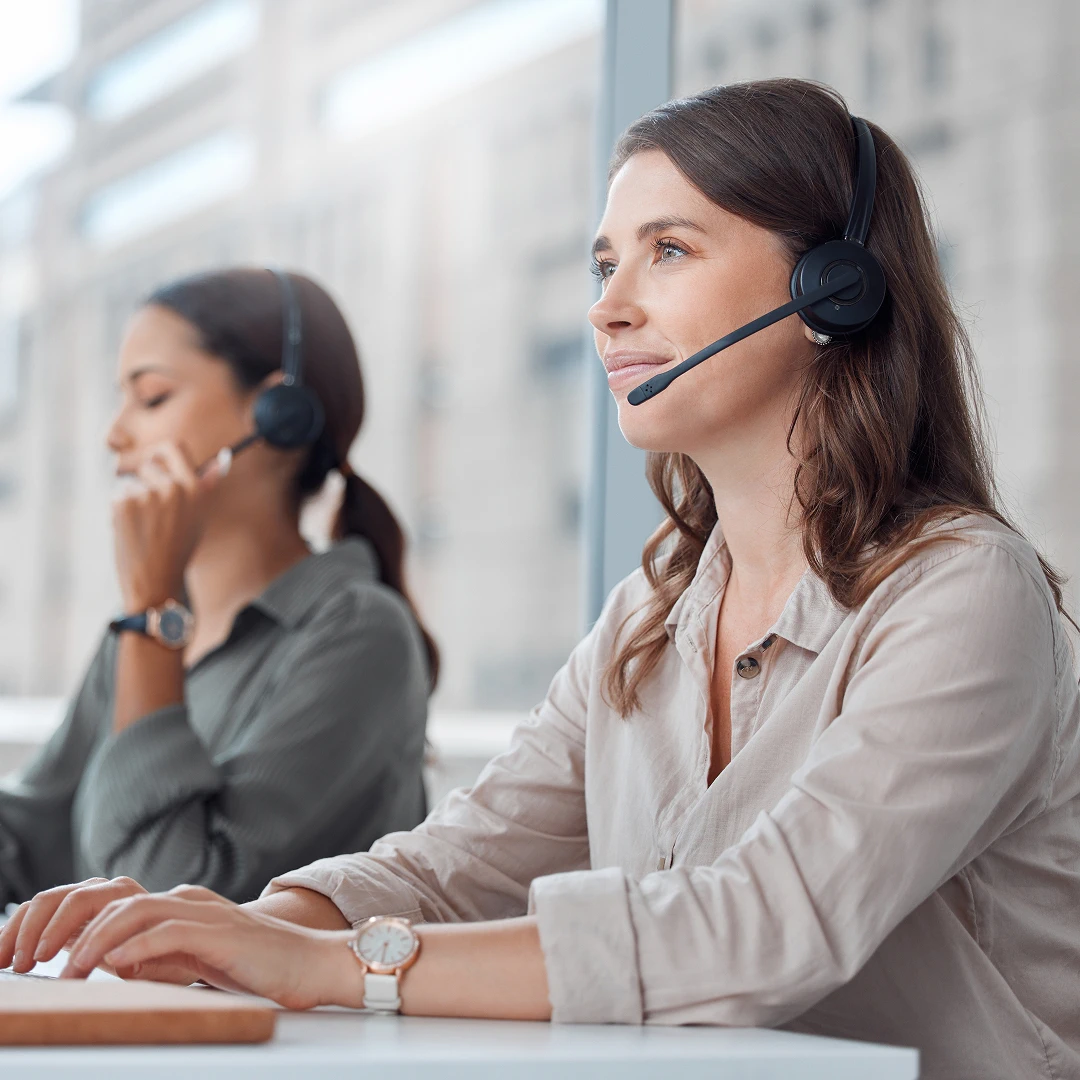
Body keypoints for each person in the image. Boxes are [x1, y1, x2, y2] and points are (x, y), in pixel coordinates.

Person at [4, 80, 1080, 1080]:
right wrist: (223, 924)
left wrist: (340, 968)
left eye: (669, 251)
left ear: (828, 293)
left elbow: (763, 927)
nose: (609, 308)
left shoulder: (962, 595)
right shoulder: (652, 616)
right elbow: (454, 866)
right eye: (605, 265)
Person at [0, 268, 436, 908]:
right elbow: (28, 838)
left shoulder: (359, 633)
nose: (114, 434)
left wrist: (152, 616)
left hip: (243, 1011)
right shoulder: (141, 634)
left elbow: (167, 896)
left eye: (151, 398)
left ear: (275, 414)